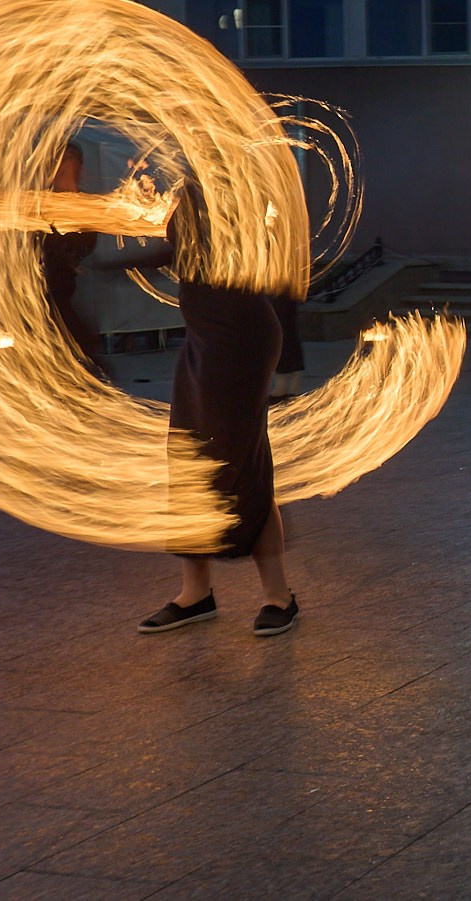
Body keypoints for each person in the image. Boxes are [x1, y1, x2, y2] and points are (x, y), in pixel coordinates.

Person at [117, 180, 299, 637]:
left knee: (240, 462)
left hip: (241, 338)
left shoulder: (241, 185)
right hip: (203, 338)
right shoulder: (192, 187)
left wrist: (123, 259)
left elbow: (224, 252)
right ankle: (195, 593)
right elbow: (183, 249)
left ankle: (280, 596)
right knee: (189, 457)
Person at [40, 141, 104, 376]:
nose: (62, 167)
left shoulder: (83, 206)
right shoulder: (37, 205)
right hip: (39, 293)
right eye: (58, 161)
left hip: (62, 291)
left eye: (68, 161)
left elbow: (88, 243)